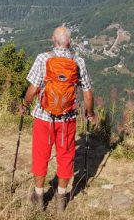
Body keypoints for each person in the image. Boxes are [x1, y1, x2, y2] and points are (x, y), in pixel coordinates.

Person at [19, 25, 95, 213]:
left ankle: (39, 197)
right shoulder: (79, 62)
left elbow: (33, 89)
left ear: (54, 40)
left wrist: (25, 104)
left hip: (44, 117)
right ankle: (61, 198)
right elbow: (88, 95)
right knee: (66, 156)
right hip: (67, 119)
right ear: (69, 42)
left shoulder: (43, 59)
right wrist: (90, 113)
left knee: (40, 154)